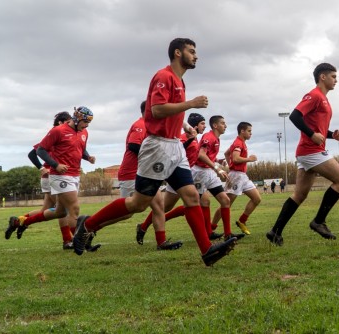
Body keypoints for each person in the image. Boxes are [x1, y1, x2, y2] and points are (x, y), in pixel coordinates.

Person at [72, 38, 236, 266]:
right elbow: (157, 110)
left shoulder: (179, 80)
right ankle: (87, 226)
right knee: (138, 204)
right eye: (191, 51)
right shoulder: (164, 76)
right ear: (178, 53)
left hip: (174, 147)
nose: (196, 56)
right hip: (157, 147)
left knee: (190, 196)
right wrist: (190, 104)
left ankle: (207, 251)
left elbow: (171, 114)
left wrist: (186, 127)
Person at [266, 63, 339, 246]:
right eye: (334, 76)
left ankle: (274, 232)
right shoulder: (314, 95)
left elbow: (317, 128)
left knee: (299, 195)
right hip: (311, 151)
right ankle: (318, 221)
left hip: (307, 151)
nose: (336, 80)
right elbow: (295, 116)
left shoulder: (324, 99)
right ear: (323, 77)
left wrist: (330, 135)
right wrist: (312, 135)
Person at [90, 101, 179, 250]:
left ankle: (161, 242)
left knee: (158, 206)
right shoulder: (141, 124)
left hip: (146, 173)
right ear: (150, 111)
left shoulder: (151, 127)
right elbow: (133, 145)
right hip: (131, 173)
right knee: (127, 213)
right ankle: (89, 227)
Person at [5, 107, 97, 247]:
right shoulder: (57, 131)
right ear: (76, 118)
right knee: (72, 208)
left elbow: (80, 149)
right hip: (56, 175)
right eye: (85, 121)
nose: (87, 125)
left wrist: (88, 157)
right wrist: (50, 166)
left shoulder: (84, 132)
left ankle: (20, 221)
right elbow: (37, 151)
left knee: (58, 211)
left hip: (73, 174)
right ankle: (75, 240)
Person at [135, 112, 225, 244]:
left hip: (187, 175)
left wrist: (216, 160)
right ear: (194, 125)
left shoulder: (196, 140)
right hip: (177, 175)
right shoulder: (185, 137)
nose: (204, 126)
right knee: (165, 207)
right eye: (202, 123)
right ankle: (143, 227)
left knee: (204, 200)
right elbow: (175, 150)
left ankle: (207, 234)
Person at [18, 111, 81, 249]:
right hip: (53, 176)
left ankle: (18, 221)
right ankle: (68, 241)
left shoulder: (68, 133)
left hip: (55, 176)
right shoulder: (56, 132)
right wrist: (41, 167)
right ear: (61, 122)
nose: (70, 124)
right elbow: (33, 153)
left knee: (47, 210)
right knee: (62, 210)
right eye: (68, 121)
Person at [190, 115, 245, 241]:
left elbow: (208, 156)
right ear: (215, 125)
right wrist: (217, 168)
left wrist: (218, 161)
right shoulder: (209, 137)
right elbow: (201, 155)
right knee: (191, 205)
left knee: (225, 200)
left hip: (208, 172)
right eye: (223, 123)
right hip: (199, 173)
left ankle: (227, 234)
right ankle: (160, 219)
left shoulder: (216, 138)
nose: (225, 126)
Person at [210, 121, 262, 235]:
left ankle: (242, 221)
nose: (250, 134)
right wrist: (249, 159)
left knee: (257, 199)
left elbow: (227, 153)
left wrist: (229, 166)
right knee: (226, 203)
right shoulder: (238, 143)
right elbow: (236, 158)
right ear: (242, 131)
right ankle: (211, 228)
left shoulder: (240, 142)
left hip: (242, 176)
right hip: (236, 176)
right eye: (249, 131)